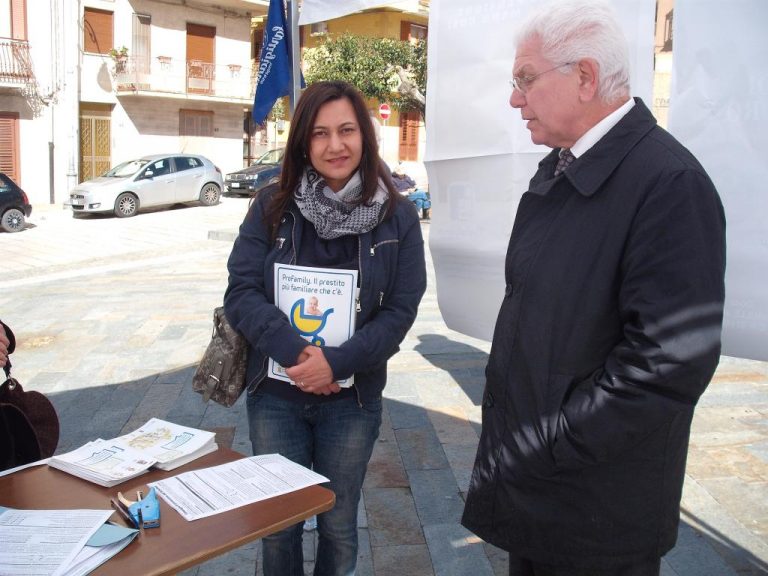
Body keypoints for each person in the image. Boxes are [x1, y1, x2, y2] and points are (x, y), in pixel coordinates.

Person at [461, 2, 726, 576]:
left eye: (525, 79)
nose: (514, 98)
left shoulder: (669, 183)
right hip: (539, 494)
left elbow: (669, 362)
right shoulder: (560, 169)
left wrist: (553, 441)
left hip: (596, 514)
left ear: (584, 76)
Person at [224, 80, 426, 576]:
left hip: (351, 402)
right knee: (280, 526)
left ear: (365, 136)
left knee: (338, 524)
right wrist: (297, 357)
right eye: (320, 133)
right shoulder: (272, 205)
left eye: (346, 130)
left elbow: (401, 310)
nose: (335, 145)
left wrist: (335, 363)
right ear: (302, 142)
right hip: (276, 396)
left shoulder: (397, 215)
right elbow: (241, 291)